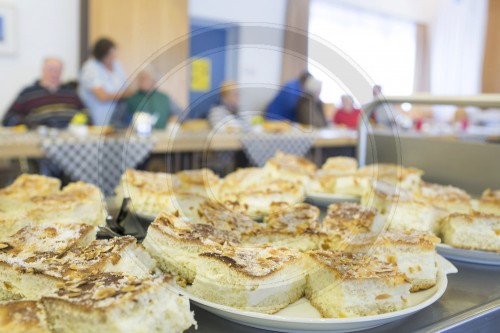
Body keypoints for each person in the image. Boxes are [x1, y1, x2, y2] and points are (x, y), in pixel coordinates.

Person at [2, 58, 88, 128]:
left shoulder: (70, 92)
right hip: (38, 140)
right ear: (43, 71)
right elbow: (8, 118)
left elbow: (86, 113)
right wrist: (29, 124)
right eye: (51, 70)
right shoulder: (28, 93)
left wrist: (80, 123)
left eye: (58, 70)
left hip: (70, 140)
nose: (54, 74)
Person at [78, 38, 134, 126]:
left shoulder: (117, 65)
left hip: (118, 116)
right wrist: (122, 94)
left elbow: (129, 90)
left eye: (114, 53)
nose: (113, 57)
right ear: (102, 55)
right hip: (98, 115)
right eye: (110, 54)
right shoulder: (90, 68)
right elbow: (102, 96)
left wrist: (115, 95)